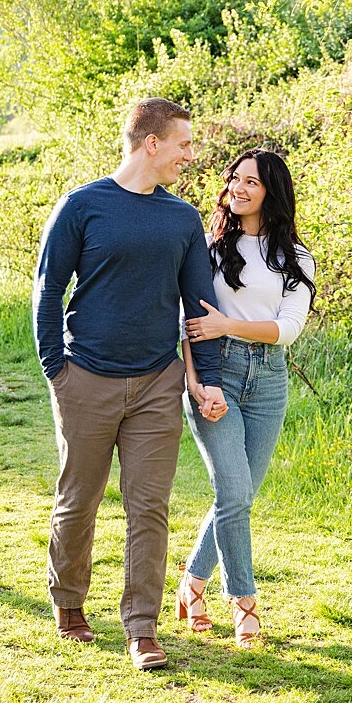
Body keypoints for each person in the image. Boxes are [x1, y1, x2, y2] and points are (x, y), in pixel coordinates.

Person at [32, 97, 229, 672]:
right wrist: (56, 368)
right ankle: (68, 604)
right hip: (85, 379)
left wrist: (205, 378)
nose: (190, 156)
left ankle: (141, 629)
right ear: (152, 143)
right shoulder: (82, 207)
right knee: (80, 501)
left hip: (156, 384)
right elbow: (48, 291)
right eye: (184, 145)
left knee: (150, 508)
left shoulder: (182, 219)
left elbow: (199, 305)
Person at [175, 148, 316, 648]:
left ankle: (192, 583)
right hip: (216, 372)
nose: (238, 187)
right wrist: (196, 383)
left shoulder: (297, 259)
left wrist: (227, 323)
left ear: (271, 193)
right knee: (233, 492)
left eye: (251, 182)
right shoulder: (209, 250)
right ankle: (245, 604)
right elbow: (189, 323)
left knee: (239, 496)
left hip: (269, 381)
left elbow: (288, 329)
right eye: (235, 178)